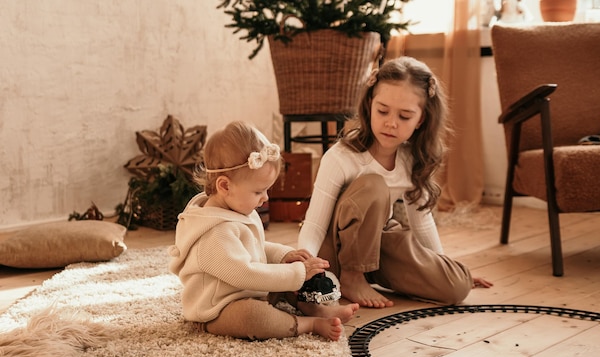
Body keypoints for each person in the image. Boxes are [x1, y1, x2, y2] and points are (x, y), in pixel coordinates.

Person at [297, 56, 493, 309]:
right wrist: (308, 266)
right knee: (374, 185)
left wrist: (445, 267)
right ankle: (353, 277)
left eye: (405, 116)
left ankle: (365, 274)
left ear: (420, 120)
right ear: (369, 106)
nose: (391, 123)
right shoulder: (341, 157)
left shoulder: (413, 159)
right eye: (382, 111)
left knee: (456, 286)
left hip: (379, 246)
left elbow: (421, 221)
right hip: (334, 250)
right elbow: (314, 224)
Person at [169, 121, 359, 341]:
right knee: (251, 317)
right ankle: (308, 324)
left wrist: (283, 255)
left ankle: (316, 309)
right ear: (225, 186)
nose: (265, 198)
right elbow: (245, 273)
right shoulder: (212, 233)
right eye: (259, 191)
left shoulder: (238, 207)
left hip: (252, 289)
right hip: (218, 308)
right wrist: (297, 273)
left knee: (288, 271)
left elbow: (254, 247)